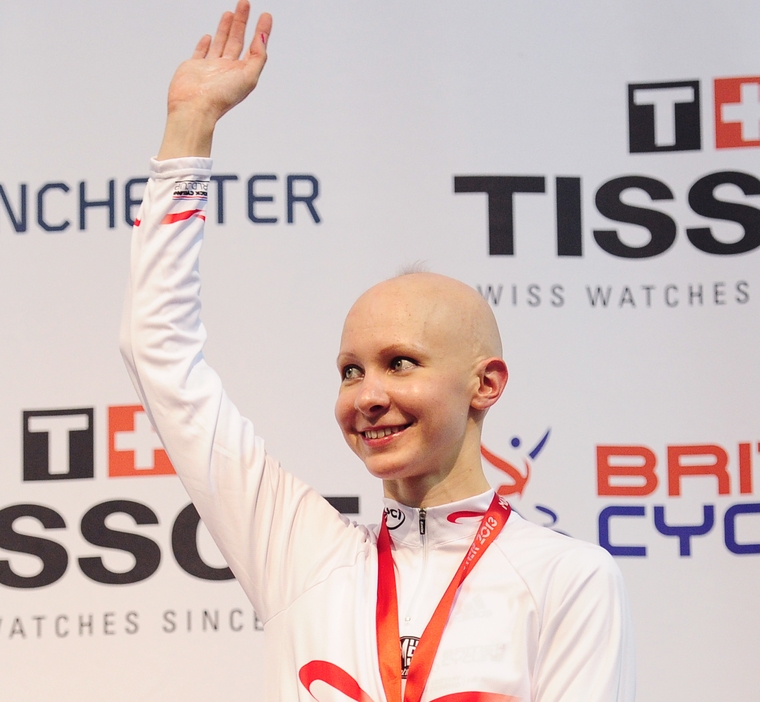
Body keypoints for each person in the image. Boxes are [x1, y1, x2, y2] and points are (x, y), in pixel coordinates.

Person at [120, 2, 635, 701]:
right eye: (350, 371)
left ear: (485, 384)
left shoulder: (567, 578)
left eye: (402, 363)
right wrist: (189, 129)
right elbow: (159, 355)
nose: (367, 396)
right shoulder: (301, 553)